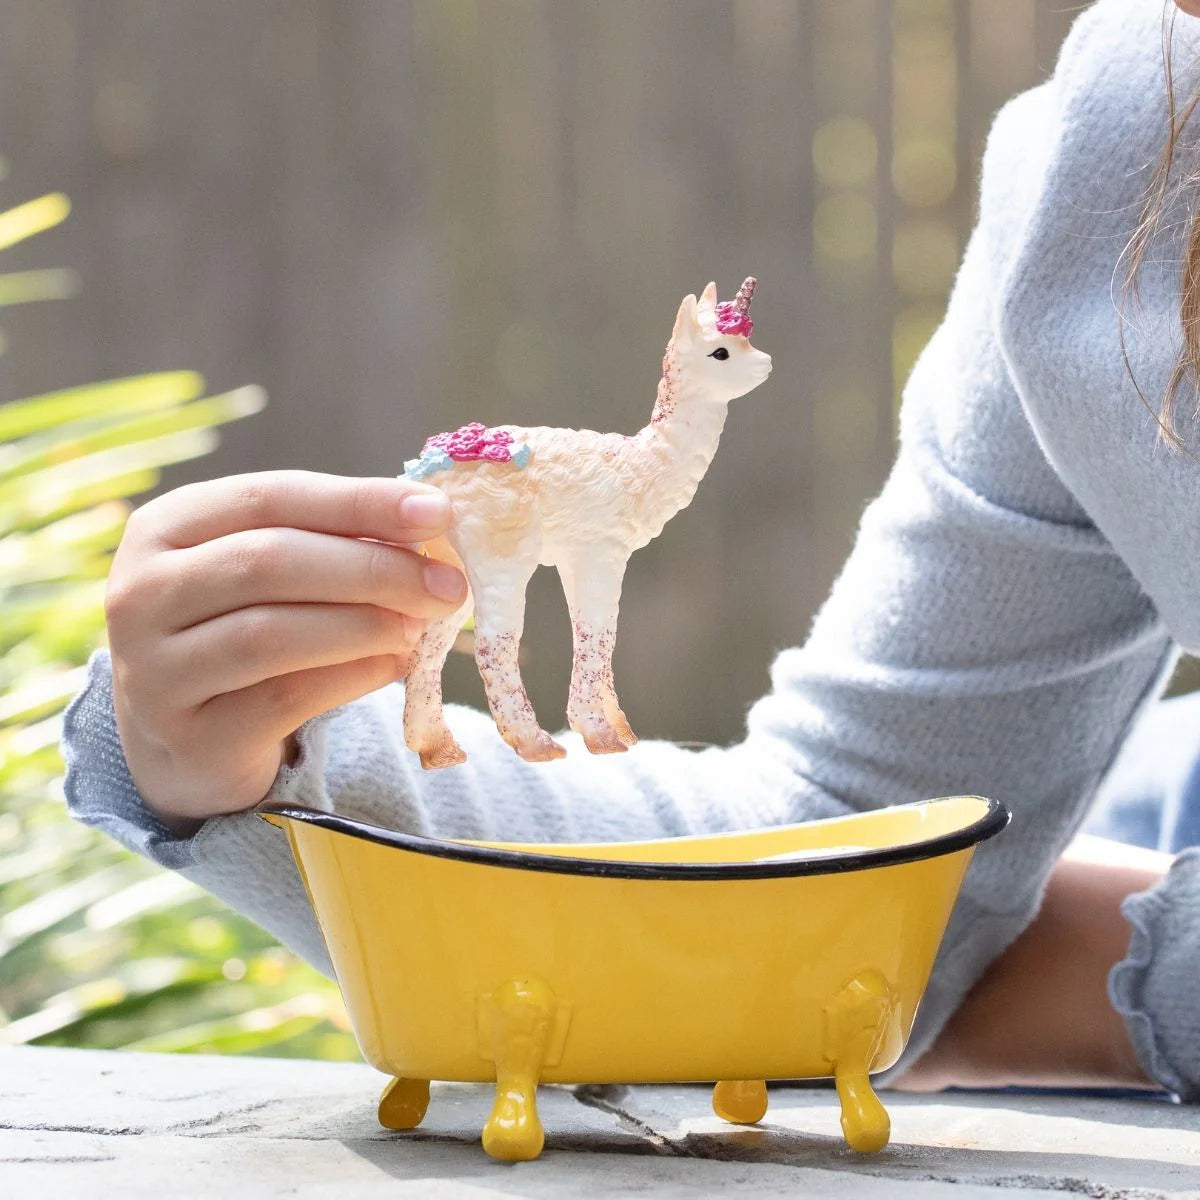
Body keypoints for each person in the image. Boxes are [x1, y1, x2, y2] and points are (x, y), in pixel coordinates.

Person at [62, 0, 1200, 1100]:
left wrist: (1130, 971)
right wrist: (264, 753)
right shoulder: (1120, 164)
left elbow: (910, 926)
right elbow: (855, 849)